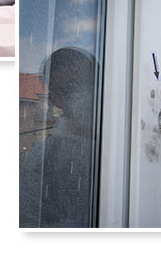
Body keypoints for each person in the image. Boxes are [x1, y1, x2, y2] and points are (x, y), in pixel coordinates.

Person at [19, 47, 98, 227]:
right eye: (69, 89)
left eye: (87, 82)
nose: (81, 94)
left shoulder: (128, 139)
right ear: (55, 99)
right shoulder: (42, 161)